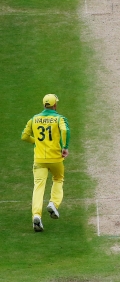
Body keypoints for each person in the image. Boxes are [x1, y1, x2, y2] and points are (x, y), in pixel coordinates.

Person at [21, 94, 71, 232]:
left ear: (44, 105)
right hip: (55, 158)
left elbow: (24, 136)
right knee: (58, 179)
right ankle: (53, 203)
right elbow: (65, 130)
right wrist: (65, 147)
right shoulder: (59, 119)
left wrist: (36, 141)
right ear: (55, 105)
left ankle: (36, 216)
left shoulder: (34, 119)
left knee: (38, 187)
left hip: (39, 160)